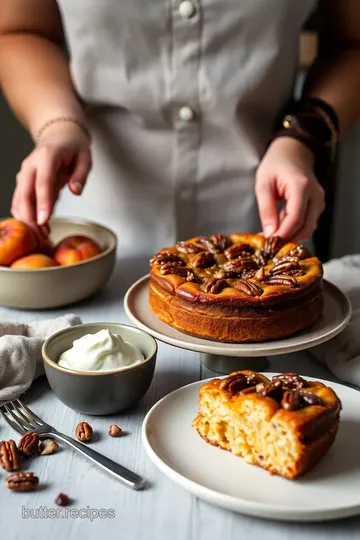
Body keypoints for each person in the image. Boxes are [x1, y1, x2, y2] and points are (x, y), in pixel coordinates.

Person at [0, 1, 360, 259]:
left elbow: (351, 44)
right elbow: (20, 30)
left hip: (266, 235)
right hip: (92, 246)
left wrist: (299, 141)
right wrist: (58, 123)